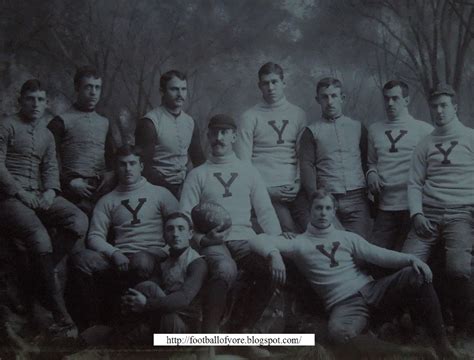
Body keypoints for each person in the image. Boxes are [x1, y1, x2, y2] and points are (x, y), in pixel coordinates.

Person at [249, 189, 461, 359]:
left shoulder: (347, 237)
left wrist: (411, 259)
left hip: (373, 290)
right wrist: (274, 254)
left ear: (334, 212)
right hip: (344, 304)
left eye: (328, 208)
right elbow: (257, 240)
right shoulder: (298, 243)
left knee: (416, 274)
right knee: (339, 335)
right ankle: (407, 352)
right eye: (318, 208)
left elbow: (379, 255)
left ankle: (442, 345)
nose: (323, 213)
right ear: (311, 211)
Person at [180, 114, 282, 357]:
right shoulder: (198, 174)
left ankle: (241, 334)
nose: (219, 137)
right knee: (226, 269)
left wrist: (276, 247)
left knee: (268, 270)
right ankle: (209, 339)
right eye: (214, 132)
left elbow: (265, 211)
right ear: (208, 136)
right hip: (212, 241)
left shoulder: (248, 171)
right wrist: (202, 240)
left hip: (245, 238)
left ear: (235, 136)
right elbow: (184, 216)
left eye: (225, 132)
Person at [0, 79, 88, 335]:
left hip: (38, 196)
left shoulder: (46, 134)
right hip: (8, 198)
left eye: (40, 99)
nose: (36, 104)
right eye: (30, 99)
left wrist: (50, 192)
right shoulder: (6, 125)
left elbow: (50, 168)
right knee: (40, 237)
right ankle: (62, 316)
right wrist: (19, 193)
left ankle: (43, 274)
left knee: (78, 220)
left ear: (46, 103)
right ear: (21, 100)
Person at [72, 145, 178, 327]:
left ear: (141, 166)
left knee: (141, 261)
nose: (128, 169)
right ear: (116, 167)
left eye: (132, 163)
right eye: (122, 164)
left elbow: (180, 224)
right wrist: (114, 253)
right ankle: (94, 324)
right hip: (119, 258)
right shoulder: (108, 200)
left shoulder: (160, 193)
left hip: (152, 256)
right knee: (81, 259)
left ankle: (127, 320)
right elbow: (95, 236)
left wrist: (165, 250)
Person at [402, 83, 474, 334]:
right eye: (434, 106)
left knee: (458, 269)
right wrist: (417, 214)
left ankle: (465, 329)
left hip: (462, 213)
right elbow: (414, 183)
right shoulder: (425, 143)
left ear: (455, 107)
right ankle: (423, 326)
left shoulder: (470, 138)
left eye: (444, 105)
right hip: (429, 213)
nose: (439, 111)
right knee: (408, 265)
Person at [235, 62, 307, 233]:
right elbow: (243, 164)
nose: (271, 87)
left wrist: (298, 183)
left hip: (294, 188)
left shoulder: (298, 114)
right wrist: (265, 191)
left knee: (313, 227)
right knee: (287, 231)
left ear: (284, 83)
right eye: (266, 83)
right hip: (265, 188)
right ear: (260, 86)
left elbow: (302, 155)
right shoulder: (249, 117)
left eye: (275, 82)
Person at [299, 77, 371, 237]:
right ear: (318, 100)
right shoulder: (311, 131)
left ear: (342, 98)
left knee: (360, 248)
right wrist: (316, 197)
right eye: (324, 97)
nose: (330, 102)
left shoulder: (358, 127)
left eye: (334, 96)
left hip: (357, 198)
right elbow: (306, 166)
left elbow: (368, 161)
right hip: (327, 198)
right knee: (334, 246)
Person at [367, 81, 433, 252]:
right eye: (386, 99)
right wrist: (372, 173)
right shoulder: (374, 130)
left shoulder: (424, 130)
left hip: (413, 205)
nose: (390, 103)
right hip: (385, 205)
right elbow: (372, 162)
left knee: (406, 255)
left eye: (395, 98)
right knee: (376, 255)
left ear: (406, 100)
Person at [121, 212, 207, 335]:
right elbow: (152, 286)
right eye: (170, 229)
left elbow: (183, 299)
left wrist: (146, 304)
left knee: (150, 291)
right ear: (164, 235)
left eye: (181, 229)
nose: (175, 234)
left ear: (190, 234)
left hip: (186, 325)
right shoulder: (165, 261)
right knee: (146, 287)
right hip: (166, 316)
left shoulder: (196, 262)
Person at [48, 65, 115, 215]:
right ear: (77, 88)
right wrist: (70, 182)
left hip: (101, 189)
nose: (93, 93)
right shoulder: (60, 121)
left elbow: (111, 157)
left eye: (97, 88)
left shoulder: (104, 122)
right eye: (88, 87)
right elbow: (47, 161)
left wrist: (110, 174)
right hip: (73, 189)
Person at [134, 70, 205, 198]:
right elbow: (143, 168)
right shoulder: (149, 122)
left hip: (185, 187)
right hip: (155, 189)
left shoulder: (190, 122)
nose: (180, 94)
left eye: (183, 89)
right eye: (174, 89)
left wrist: (192, 185)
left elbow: (199, 161)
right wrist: (172, 191)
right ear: (162, 92)